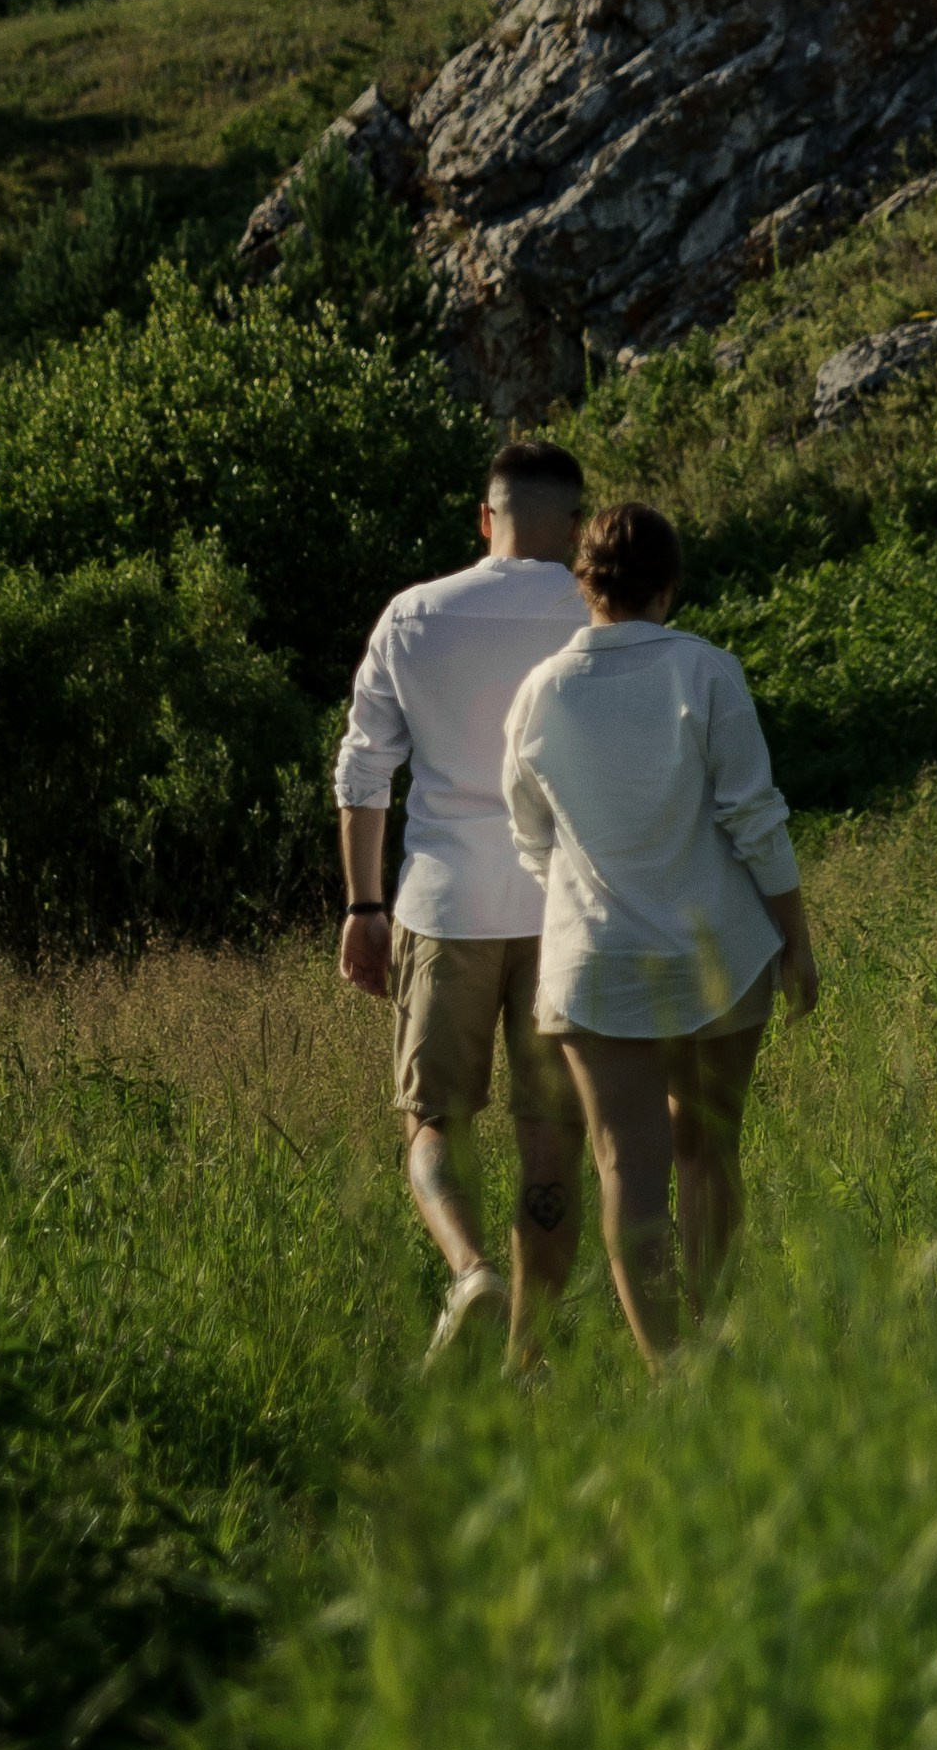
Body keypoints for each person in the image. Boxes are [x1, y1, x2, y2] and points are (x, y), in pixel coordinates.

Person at [501, 497, 817, 1367]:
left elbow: (529, 836)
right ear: (668, 586)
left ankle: (668, 1372)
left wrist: (580, 899)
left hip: (594, 962)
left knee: (625, 1169)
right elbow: (753, 817)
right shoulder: (706, 671)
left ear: (584, 585)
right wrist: (794, 936)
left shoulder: (538, 691)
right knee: (707, 1152)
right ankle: (709, 1346)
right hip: (718, 952)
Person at [335, 438, 592, 1366]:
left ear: (485, 518)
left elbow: (362, 771)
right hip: (566, 910)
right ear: (576, 525)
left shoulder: (412, 615)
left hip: (442, 906)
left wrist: (363, 907)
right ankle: (529, 1359)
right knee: (549, 1136)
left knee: (432, 1119)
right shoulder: (595, 611)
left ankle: (470, 1271)